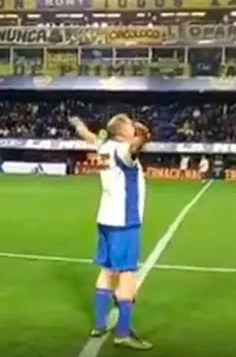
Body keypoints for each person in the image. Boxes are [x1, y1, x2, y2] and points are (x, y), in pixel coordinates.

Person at [69, 114, 153, 350]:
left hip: (105, 218)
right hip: (123, 222)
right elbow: (135, 149)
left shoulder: (105, 146)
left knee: (106, 271)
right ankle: (123, 333)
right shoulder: (122, 151)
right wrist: (144, 136)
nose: (133, 127)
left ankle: (98, 324)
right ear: (122, 132)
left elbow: (89, 136)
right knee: (127, 275)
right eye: (129, 125)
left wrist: (78, 124)